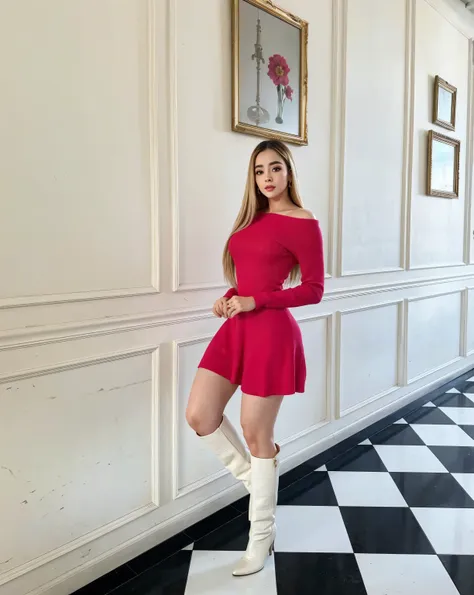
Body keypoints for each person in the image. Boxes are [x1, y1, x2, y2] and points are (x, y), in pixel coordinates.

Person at [185, 139, 324, 577]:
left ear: (289, 173)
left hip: (271, 333)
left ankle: (260, 536)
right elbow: (246, 279)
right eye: (260, 170)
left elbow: (314, 289)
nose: (267, 177)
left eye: (276, 168)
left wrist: (254, 301)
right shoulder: (250, 220)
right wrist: (229, 298)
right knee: (199, 415)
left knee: (253, 432)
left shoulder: (303, 222)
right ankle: (258, 484)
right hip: (237, 329)